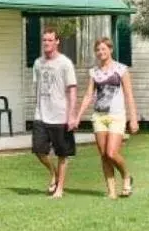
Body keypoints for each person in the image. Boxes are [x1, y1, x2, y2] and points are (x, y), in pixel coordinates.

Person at [76, 37, 139, 199]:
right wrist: (78, 116)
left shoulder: (121, 69)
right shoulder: (94, 72)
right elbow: (89, 95)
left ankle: (126, 176)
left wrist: (133, 119)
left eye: (104, 49)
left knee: (111, 153)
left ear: (110, 50)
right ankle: (111, 191)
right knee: (103, 154)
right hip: (99, 116)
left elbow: (129, 95)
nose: (100, 52)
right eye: (98, 50)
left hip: (116, 116)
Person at [31, 28, 79, 198]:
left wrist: (72, 115)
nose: (46, 43)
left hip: (60, 115)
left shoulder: (65, 63)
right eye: (44, 40)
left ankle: (60, 189)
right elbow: (37, 88)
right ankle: (54, 174)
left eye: (50, 40)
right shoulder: (38, 63)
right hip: (41, 114)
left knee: (62, 153)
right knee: (38, 150)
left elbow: (72, 90)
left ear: (57, 42)